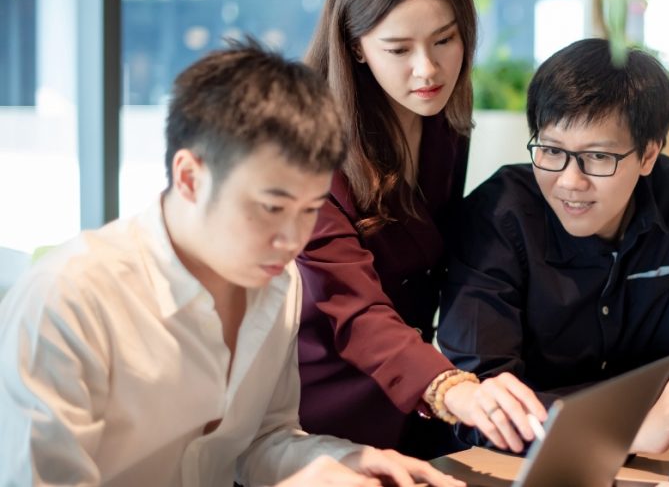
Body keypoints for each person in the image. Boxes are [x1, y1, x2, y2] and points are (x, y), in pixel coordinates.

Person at [0, 41, 462, 487]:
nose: (292, 240)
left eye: (309, 210)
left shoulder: (277, 282)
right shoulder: (68, 301)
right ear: (189, 177)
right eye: (270, 207)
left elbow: (261, 440)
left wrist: (349, 461)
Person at [298, 0, 546, 459]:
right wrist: (450, 387)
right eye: (398, 49)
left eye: (444, 40)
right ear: (355, 47)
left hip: (418, 403)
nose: (428, 69)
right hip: (322, 414)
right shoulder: (308, 152)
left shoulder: (442, 123)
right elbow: (355, 310)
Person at [438, 38, 669, 454]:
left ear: (648, 155)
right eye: (552, 150)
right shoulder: (498, 215)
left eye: (598, 157)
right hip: (508, 465)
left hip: (645, 459)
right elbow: (483, 400)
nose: (570, 181)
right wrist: (622, 430)